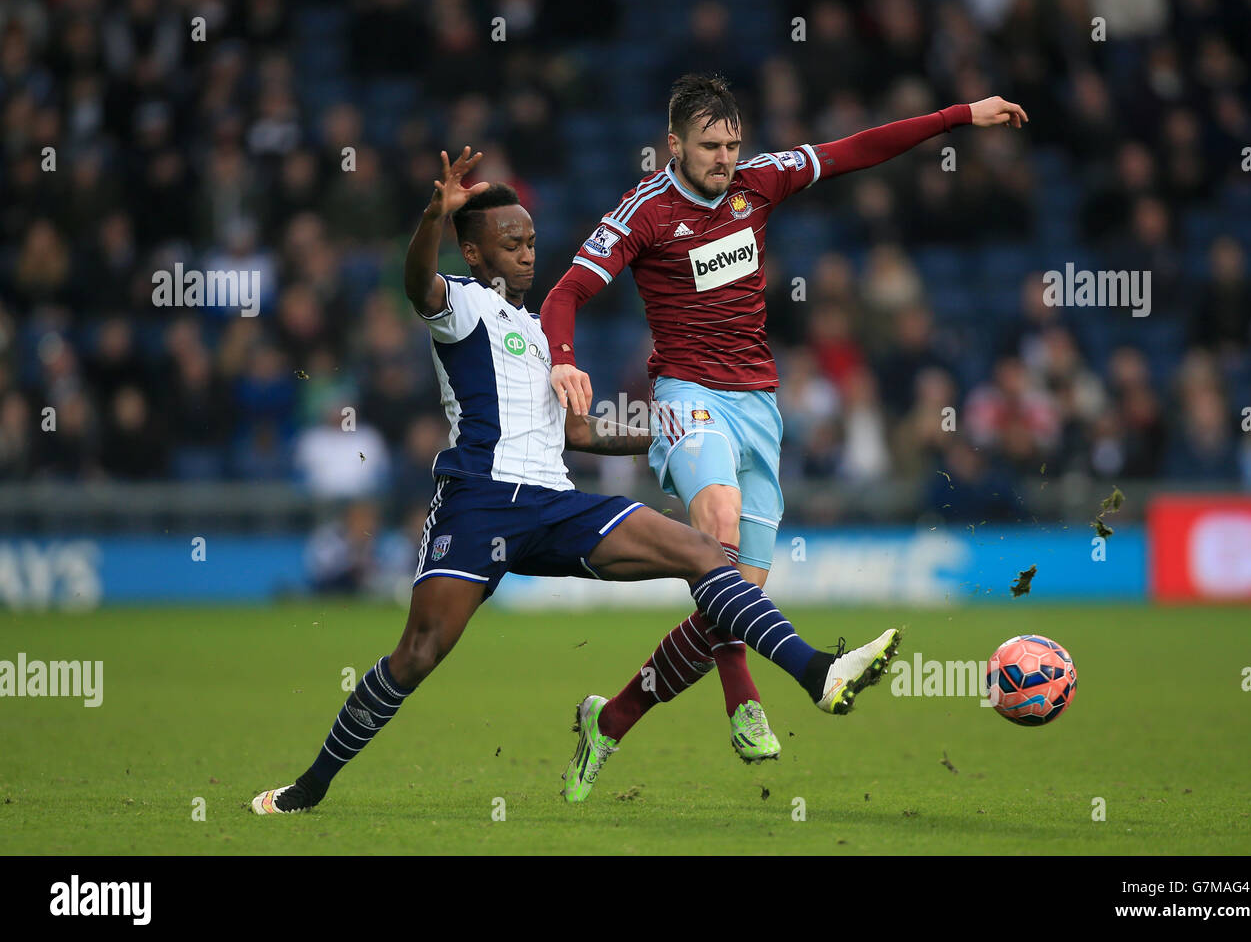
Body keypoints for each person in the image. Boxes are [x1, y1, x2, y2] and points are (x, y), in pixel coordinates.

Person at [251, 148, 901, 814]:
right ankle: (310, 787)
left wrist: (663, 429)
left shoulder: (540, 335)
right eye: (510, 244)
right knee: (417, 655)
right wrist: (430, 219)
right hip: (479, 503)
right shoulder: (464, 306)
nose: (527, 254)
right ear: (473, 254)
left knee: (704, 555)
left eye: (531, 241)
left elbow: (580, 434)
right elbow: (418, 284)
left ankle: (817, 670)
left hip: (555, 505)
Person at [540, 74, 1026, 785]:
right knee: (721, 536)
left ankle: (609, 719)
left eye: (733, 144)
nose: (725, 159)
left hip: (758, 406)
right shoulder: (644, 211)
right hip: (685, 396)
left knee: (733, 606)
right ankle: (770, 691)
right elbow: (567, 291)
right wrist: (562, 363)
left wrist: (960, 116)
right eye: (709, 146)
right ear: (672, 144)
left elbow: (857, 149)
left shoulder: (761, 182)